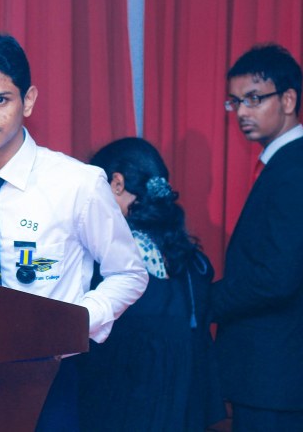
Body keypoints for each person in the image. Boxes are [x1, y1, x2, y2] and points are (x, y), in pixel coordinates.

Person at [0, 30, 149, 430]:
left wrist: (75, 321)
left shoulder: (78, 183)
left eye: (0, 100)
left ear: (29, 100)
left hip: (47, 374)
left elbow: (129, 273)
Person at [212, 44, 303, 431]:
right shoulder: (286, 166)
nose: (241, 112)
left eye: (253, 99)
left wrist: (200, 301)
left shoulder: (296, 173)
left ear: (288, 100)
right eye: (235, 102)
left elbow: (276, 279)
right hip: (266, 378)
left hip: (275, 380)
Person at [78, 137, 225, 431]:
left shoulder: (116, 253)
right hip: (181, 401)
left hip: (128, 395)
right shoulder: (186, 256)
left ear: (117, 184)